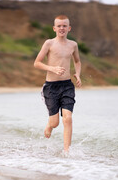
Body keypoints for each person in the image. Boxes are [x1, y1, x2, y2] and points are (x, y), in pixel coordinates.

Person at [34, 15, 82, 152]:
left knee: (68, 118)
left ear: (69, 28)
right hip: (51, 87)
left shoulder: (73, 45)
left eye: (64, 26)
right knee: (55, 123)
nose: (62, 28)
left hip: (67, 85)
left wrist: (77, 74)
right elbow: (36, 63)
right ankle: (49, 125)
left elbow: (77, 61)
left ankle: (67, 151)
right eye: (59, 26)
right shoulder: (49, 43)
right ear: (54, 28)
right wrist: (52, 68)